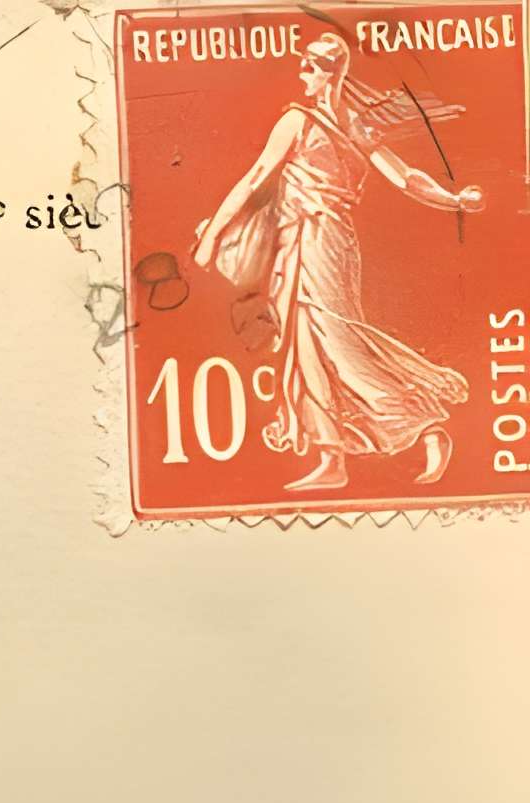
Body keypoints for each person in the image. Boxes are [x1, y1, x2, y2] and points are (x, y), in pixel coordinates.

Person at [188, 32, 487, 490]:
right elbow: (407, 179)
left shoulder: (299, 119)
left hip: (315, 237)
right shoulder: (357, 126)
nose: (301, 75)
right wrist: (455, 200)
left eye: (309, 67)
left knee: (328, 338)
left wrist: (210, 236)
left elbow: (254, 180)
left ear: (329, 72)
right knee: (314, 340)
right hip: (326, 240)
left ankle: (415, 425)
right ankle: (335, 456)